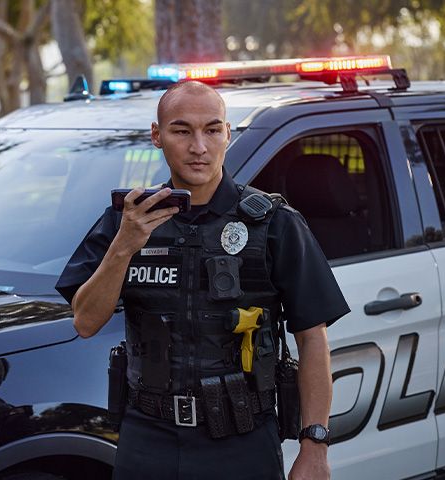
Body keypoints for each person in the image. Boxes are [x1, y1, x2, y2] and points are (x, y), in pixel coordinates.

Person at [56, 81, 349, 479]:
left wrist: (315, 447)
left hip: (241, 441)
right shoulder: (125, 222)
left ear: (228, 133)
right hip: (148, 439)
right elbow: (85, 322)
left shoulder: (274, 223)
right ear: (157, 136)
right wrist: (124, 246)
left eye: (212, 130)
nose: (199, 147)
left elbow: (312, 338)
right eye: (182, 131)